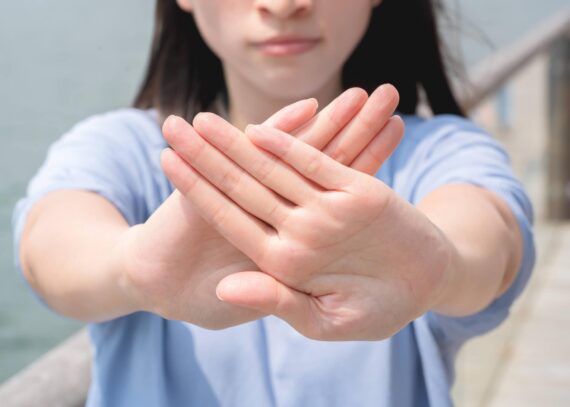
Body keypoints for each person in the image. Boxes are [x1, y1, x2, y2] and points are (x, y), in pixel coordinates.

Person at [13, 0, 535, 406]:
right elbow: (50, 242)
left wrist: (439, 264)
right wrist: (131, 268)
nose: (284, 4)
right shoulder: (123, 149)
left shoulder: (438, 149)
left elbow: (488, 237)